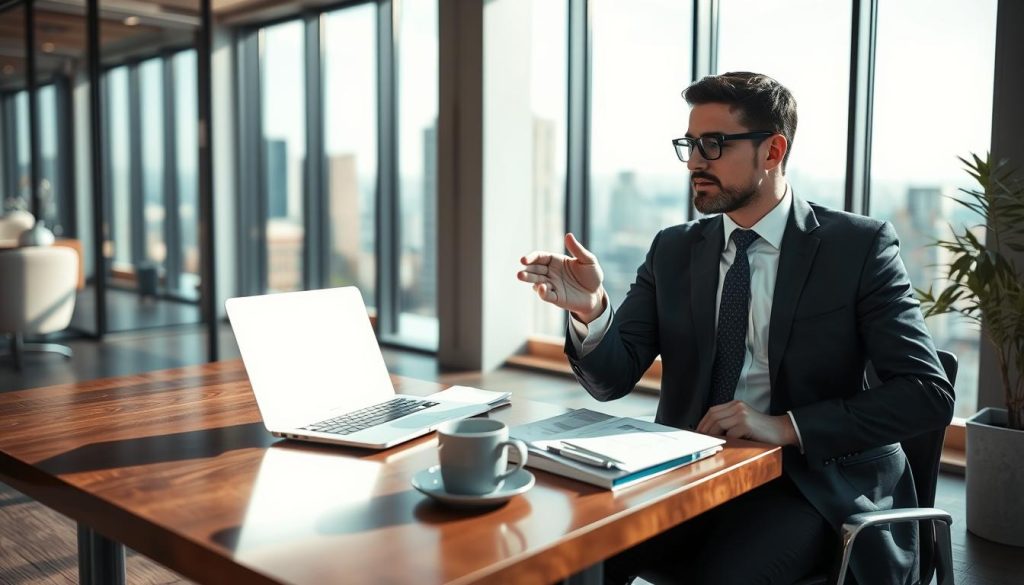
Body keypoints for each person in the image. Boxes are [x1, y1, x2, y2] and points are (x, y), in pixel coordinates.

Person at [516, 72, 954, 585]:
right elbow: (612, 380)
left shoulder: (857, 248)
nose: (695, 161)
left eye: (714, 144)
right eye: (690, 144)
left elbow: (926, 393)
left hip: (811, 483)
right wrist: (591, 311)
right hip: (688, 475)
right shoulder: (674, 249)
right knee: (568, 557)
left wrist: (786, 425)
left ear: (773, 151)